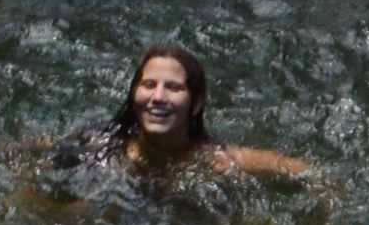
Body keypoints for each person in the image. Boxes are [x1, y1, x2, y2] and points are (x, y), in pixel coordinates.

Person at [48, 42, 308, 187]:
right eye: (149, 85)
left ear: (196, 104)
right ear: (134, 94)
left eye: (173, 88)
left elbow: (304, 171)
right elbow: (34, 154)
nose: (158, 97)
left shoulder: (216, 161)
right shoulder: (100, 143)